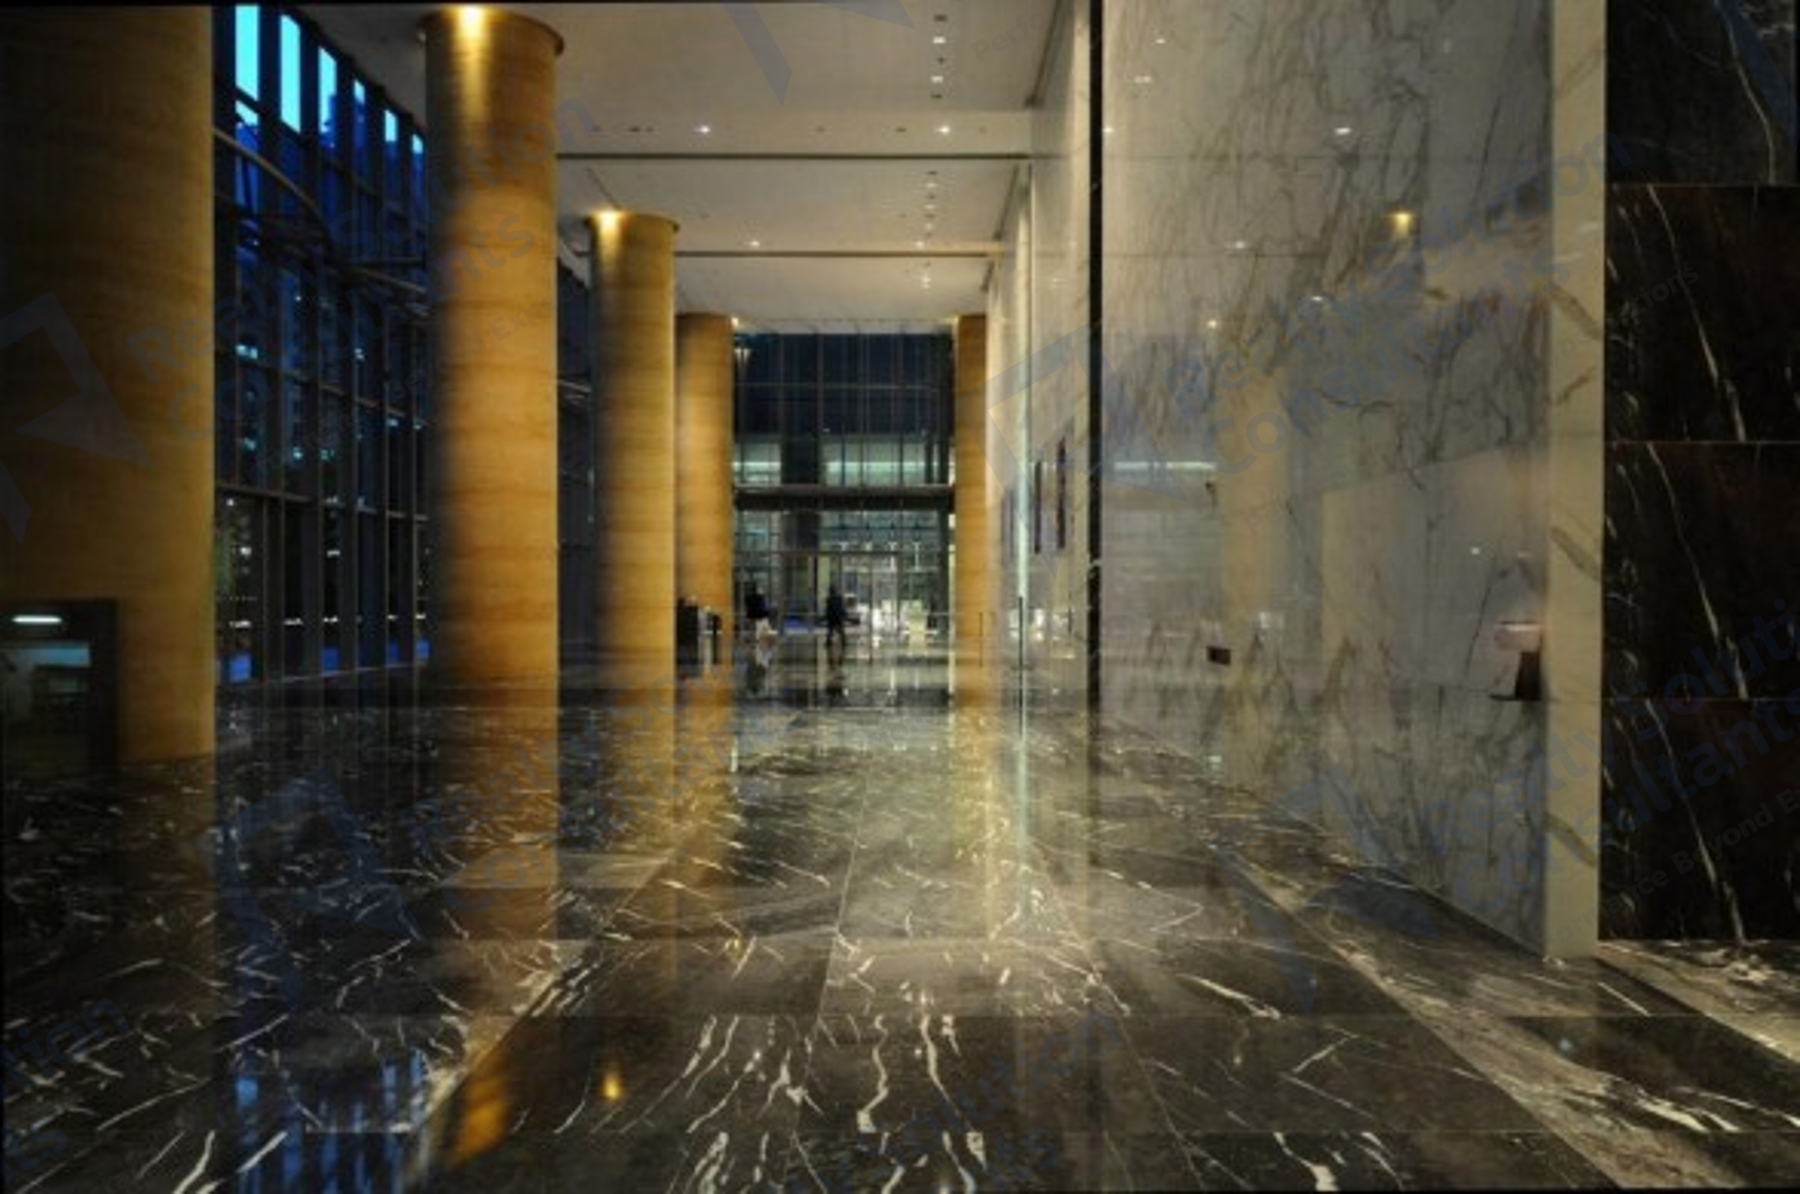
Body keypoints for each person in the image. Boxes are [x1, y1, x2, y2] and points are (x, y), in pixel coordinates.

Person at [825, 583, 848, 662]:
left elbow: (828, 610)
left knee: (830, 631)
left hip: (832, 618)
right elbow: (841, 608)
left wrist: (828, 617)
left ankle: (828, 642)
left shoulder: (829, 599)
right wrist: (843, 615)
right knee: (840, 631)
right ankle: (844, 641)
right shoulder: (838, 598)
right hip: (838, 617)